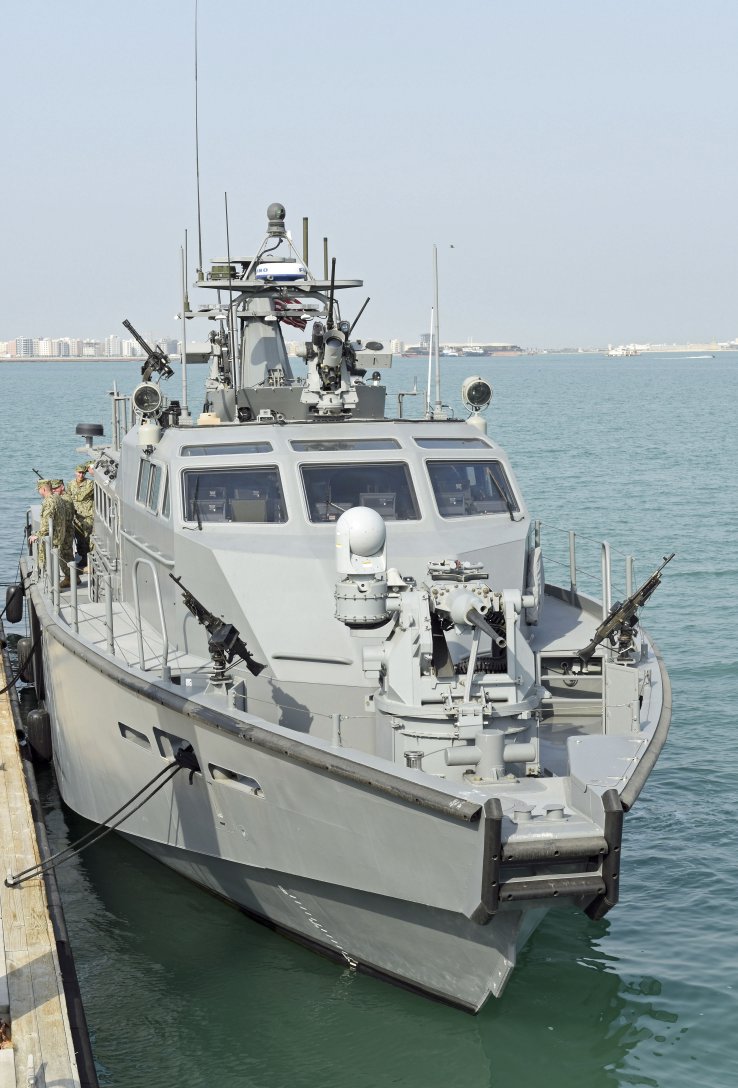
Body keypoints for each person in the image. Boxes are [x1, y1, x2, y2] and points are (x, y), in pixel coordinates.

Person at [29, 479, 75, 587]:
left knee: (51, 562)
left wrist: (37, 535)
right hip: (60, 535)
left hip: (53, 538)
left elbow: (46, 523)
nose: (39, 492)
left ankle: (53, 588)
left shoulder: (49, 501)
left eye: (39, 490)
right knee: (56, 561)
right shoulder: (57, 497)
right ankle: (55, 585)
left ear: (43, 489)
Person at [67, 462, 94, 571]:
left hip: (87, 515)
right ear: (75, 473)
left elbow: (82, 496)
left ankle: (89, 558)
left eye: (83, 473)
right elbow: (69, 497)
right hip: (76, 515)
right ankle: (83, 557)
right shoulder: (71, 484)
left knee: (88, 537)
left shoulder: (90, 484)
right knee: (79, 538)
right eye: (79, 473)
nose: (81, 475)